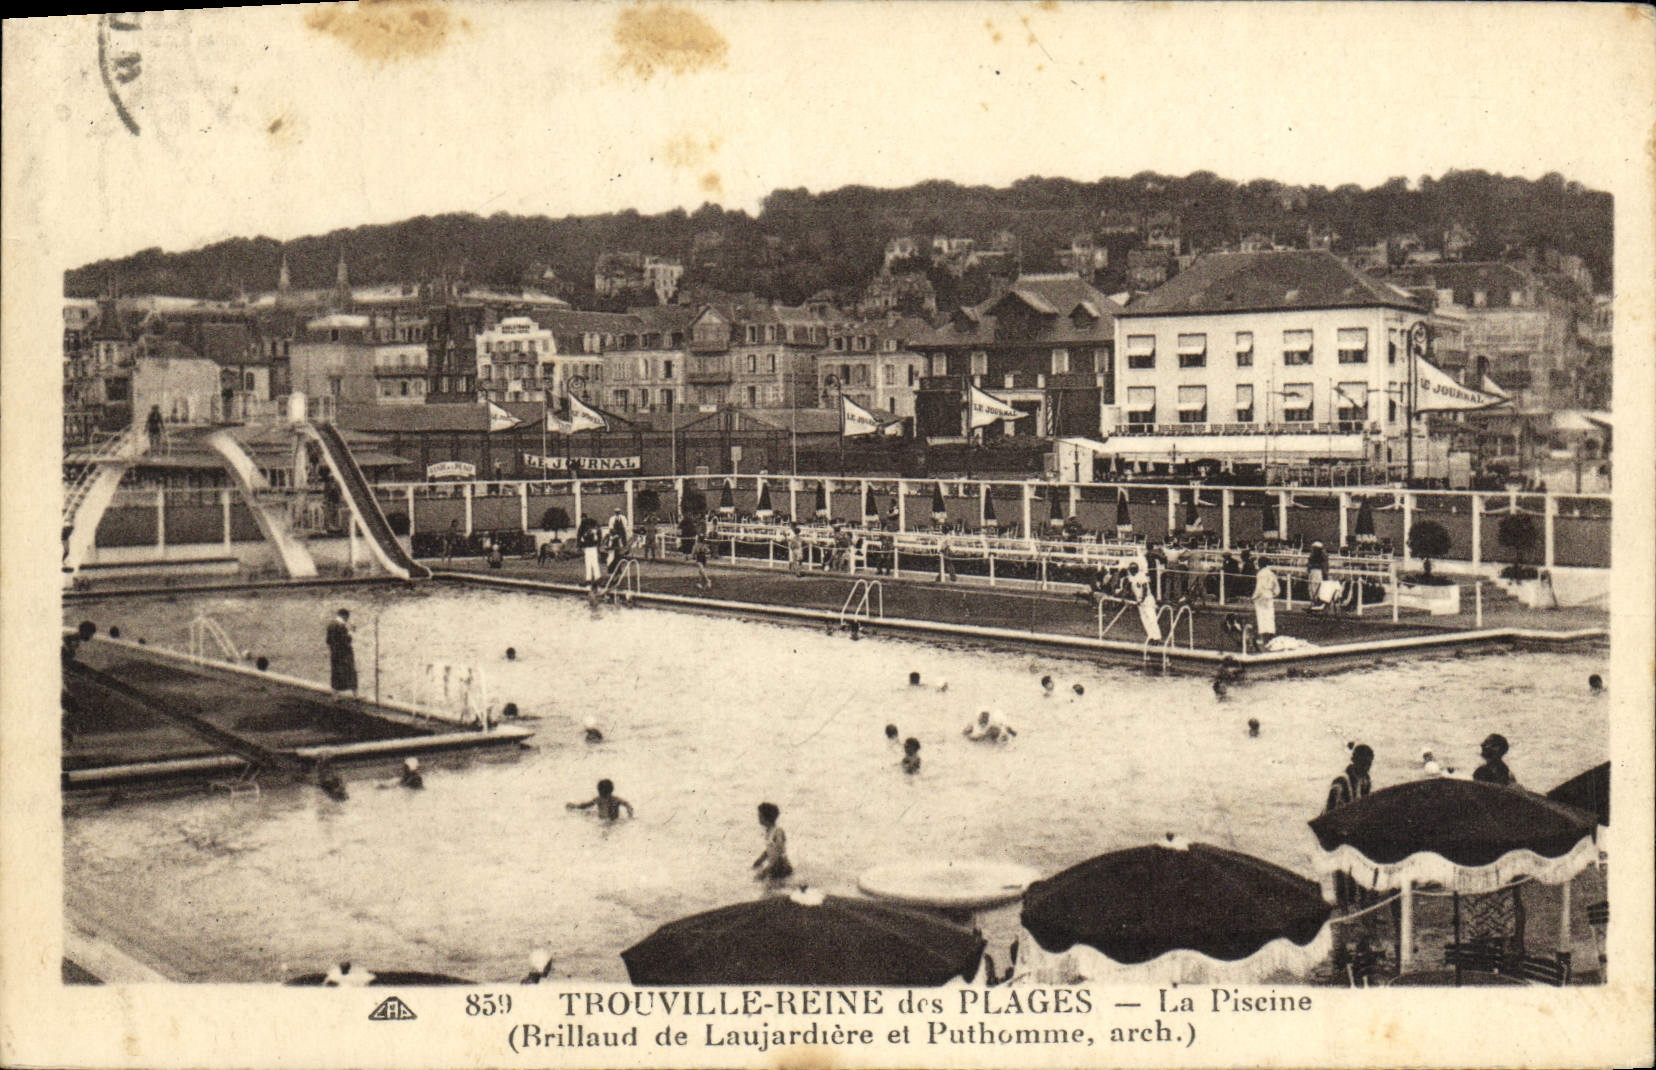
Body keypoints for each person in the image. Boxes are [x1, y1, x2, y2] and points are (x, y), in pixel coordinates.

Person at [1326, 744, 1374, 812]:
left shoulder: (1365, 781)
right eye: (1362, 763)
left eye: (1368, 764)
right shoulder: (1341, 781)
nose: (1365, 767)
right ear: (1354, 760)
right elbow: (1330, 811)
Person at [752, 802, 792, 881]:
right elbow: (769, 850)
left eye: (760, 815)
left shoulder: (778, 831)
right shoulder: (768, 831)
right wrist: (758, 861)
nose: (758, 817)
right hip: (774, 866)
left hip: (781, 867)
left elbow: (779, 853)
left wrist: (765, 871)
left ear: (766, 817)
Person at [1126, 560, 1161, 642]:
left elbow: (1145, 588)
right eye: (1130, 569)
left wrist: (1142, 599)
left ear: (1136, 569)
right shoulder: (1131, 578)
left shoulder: (1141, 575)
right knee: (1144, 619)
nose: (1131, 571)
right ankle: (1151, 636)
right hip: (1140, 601)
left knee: (1151, 618)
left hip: (1147, 599)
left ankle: (1157, 637)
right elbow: (1131, 589)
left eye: (1133, 569)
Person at [325, 609, 357, 696]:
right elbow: (347, 640)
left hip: (335, 653)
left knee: (336, 673)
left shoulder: (330, 625)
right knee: (350, 673)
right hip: (345, 654)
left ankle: (335, 695)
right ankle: (355, 695)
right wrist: (352, 632)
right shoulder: (341, 626)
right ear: (345, 616)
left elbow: (328, 641)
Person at [567, 779, 633, 821]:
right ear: (611, 790)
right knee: (590, 813)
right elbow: (627, 804)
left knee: (589, 814)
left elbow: (585, 806)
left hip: (604, 822)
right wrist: (630, 815)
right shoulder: (615, 799)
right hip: (610, 821)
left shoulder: (600, 799)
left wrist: (575, 806)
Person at [1251, 561, 1279, 642]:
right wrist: (1274, 594)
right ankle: (1271, 635)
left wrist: (1253, 597)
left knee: (1261, 616)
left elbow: (1259, 588)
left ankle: (1263, 637)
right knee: (1270, 616)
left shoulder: (1260, 574)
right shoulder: (1271, 573)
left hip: (1261, 597)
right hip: (1269, 595)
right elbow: (1277, 588)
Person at [576, 516, 603, 589]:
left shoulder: (584, 527)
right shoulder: (594, 527)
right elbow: (598, 537)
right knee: (593, 563)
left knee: (589, 563)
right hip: (592, 547)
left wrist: (580, 545)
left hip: (588, 547)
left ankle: (590, 579)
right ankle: (597, 578)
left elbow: (580, 537)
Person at [1306, 541, 1330, 610]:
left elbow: (1324, 567)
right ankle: (1314, 603)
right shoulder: (1312, 556)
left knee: (1317, 589)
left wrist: (1325, 574)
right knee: (1312, 588)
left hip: (1318, 573)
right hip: (1313, 573)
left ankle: (1318, 604)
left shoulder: (1322, 557)